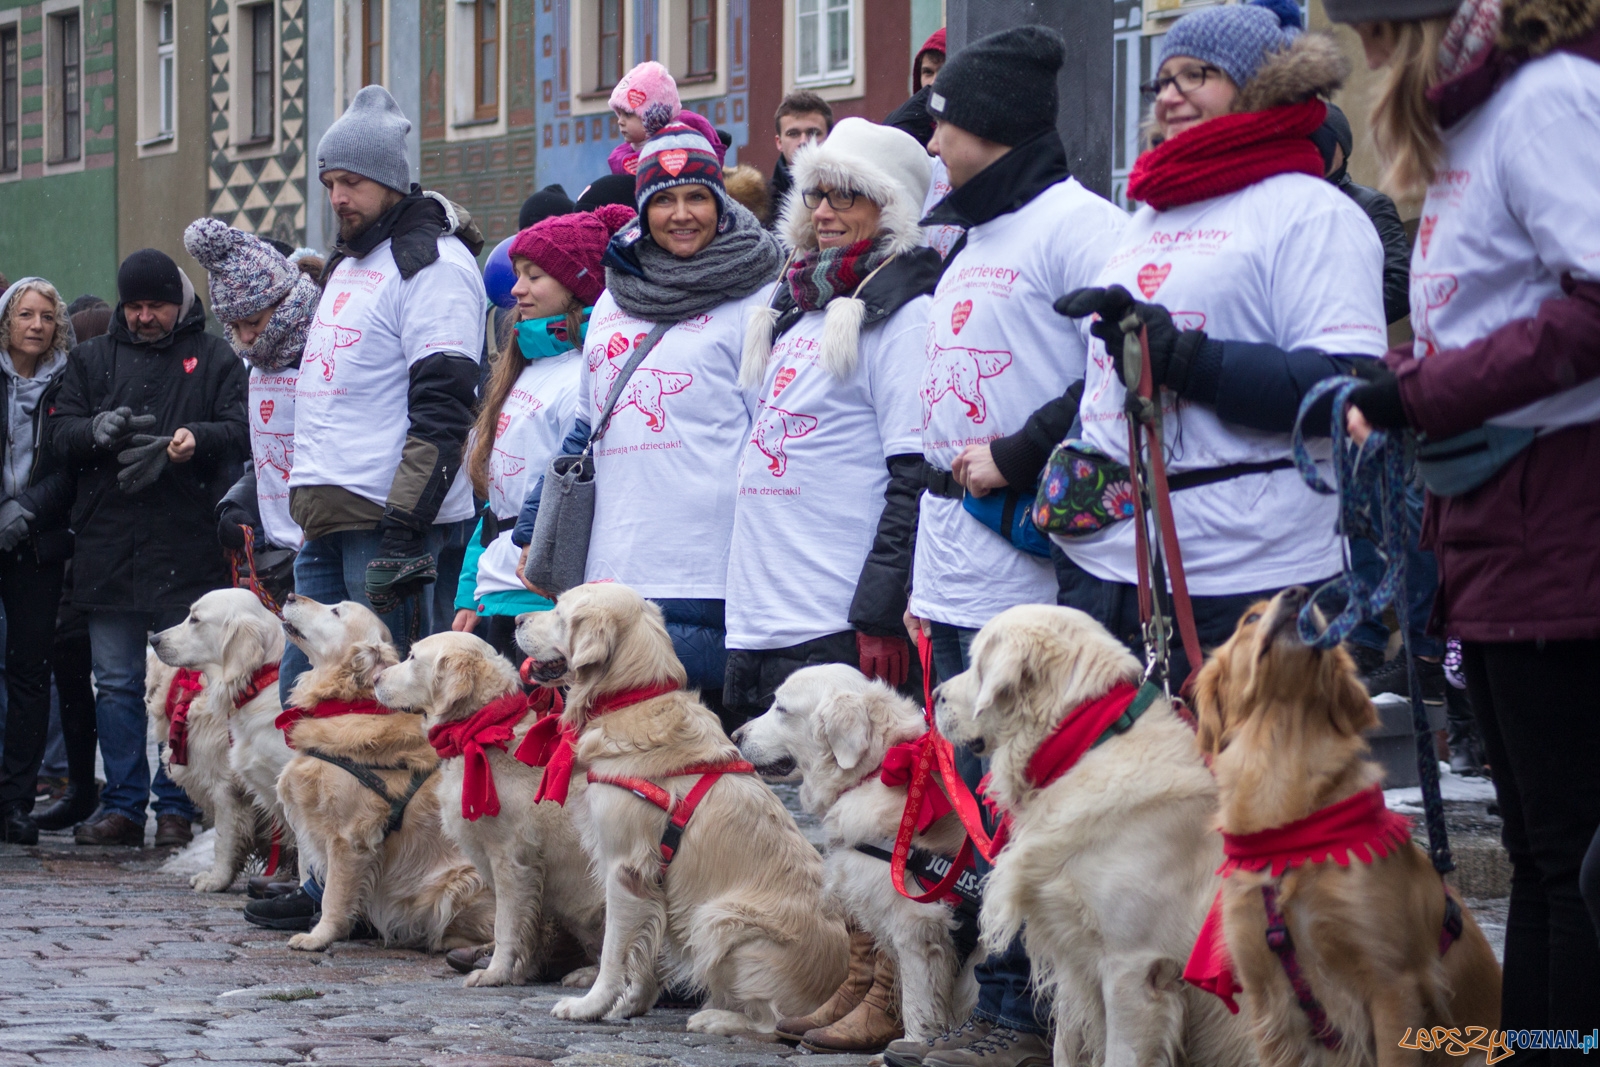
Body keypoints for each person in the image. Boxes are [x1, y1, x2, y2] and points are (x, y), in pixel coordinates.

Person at [1330, 0, 1600, 1040]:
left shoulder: (1543, 103)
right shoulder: (1474, 119)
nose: (1369, 62)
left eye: (1378, 33)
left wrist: (1425, 392)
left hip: (1557, 511)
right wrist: (1396, 378)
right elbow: (1484, 315)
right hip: (1490, 518)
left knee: (1569, 857)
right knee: (1540, 857)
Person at [892, 26, 1128, 1067]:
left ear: (991, 124)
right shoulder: (967, 236)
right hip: (954, 565)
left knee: (1041, 801)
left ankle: (1017, 1016)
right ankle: (994, 1004)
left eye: (943, 118)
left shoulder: (1080, 227)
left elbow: (1121, 358)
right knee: (979, 806)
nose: (930, 138)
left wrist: (1021, 453)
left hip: (1038, 576)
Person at [1051, 1, 1385, 681]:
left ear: (1262, 82)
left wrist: (1192, 362)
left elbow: (1349, 387)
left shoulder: (1310, 210)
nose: (1168, 96)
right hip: (1120, 569)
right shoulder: (1147, 214)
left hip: (1252, 575)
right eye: (1162, 80)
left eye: (1194, 75)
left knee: (1252, 785)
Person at [725, 117, 938, 741]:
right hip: (760, 616)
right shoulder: (796, 305)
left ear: (890, 206)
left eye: (846, 194)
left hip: (834, 622)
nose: (823, 211)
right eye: (816, 193)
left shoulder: (903, 318)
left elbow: (915, 474)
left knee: (841, 826)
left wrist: (878, 613)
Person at [283, 84, 486, 705]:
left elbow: (445, 405)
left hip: (386, 520)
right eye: (329, 183)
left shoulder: (434, 267)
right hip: (326, 515)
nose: (337, 197)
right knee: (319, 702)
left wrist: (404, 528)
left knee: (385, 704)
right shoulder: (352, 262)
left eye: (351, 182)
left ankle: (397, 809)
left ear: (391, 180)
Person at [572, 120, 781, 716]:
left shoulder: (755, 296)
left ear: (720, 201)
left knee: (700, 756)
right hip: (614, 566)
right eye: (663, 200)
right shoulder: (615, 295)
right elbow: (587, 424)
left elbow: (767, 434)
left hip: (710, 569)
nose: (682, 214)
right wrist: (538, 526)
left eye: (697, 197)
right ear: (642, 208)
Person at [50, 248, 248, 848]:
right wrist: (94, 431)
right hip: (108, 544)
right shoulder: (89, 359)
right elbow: (59, 435)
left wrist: (197, 440)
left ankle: (176, 806)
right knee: (113, 683)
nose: (143, 317)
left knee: (184, 683)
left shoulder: (213, 357)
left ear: (178, 303)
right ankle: (124, 804)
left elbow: (241, 429)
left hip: (184, 544)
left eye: (155, 305)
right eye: (133, 306)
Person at [452, 205, 634, 661]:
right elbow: (500, 502)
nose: (517, 289)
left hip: (540, 594)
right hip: (496, 587)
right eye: (517, 275)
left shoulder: (582, 375)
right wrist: (470, 585)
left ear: (576, 283)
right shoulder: (527, 366)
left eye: (534, 276)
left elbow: (572, 491)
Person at [182, 218, 317, 589]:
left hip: (323, 543)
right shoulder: (258, 365)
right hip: (278, 549)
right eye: (235, 325)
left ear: (283, 302)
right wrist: (238, 503)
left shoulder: (319, 353)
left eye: (253, 321)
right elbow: (268, 457)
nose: (246, 337)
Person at [0, 279, 78, 844]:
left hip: (36, 542)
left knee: (30, 673)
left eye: (46, 316)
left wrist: (25, 509)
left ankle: (15, 801)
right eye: (24, 314)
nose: (35, 324)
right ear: (6, 322)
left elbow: (71, 463)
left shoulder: (68, 383)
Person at [606, 60, 726, 177]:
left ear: (652, 117)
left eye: (628, 114)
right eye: (619, 113)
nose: (620, 121)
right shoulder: (621, 158)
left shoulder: (676, 151)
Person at [769, 91, 835, 217]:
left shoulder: (848, 196)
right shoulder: (763, 204)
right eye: (793, 134)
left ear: (830, 137)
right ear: (779, 143)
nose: (803, 141)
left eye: (813, 133)